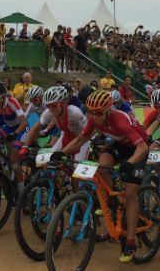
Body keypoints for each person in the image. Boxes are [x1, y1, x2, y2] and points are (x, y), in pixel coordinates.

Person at [61, 90, 150, 263]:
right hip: (120, 145)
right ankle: (114, 198)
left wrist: (130, 163)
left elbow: (143, 148)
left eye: (98, 113)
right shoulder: (94, 119)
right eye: (90, 112)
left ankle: (130, 241)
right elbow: (81, 139)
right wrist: (61, 153)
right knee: (101, 167)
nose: (94, 116)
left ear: (108, 110)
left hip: (138, 150)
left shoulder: (120, 120)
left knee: (131, 195)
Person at [20, 85, 90, 161]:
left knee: (76, 169)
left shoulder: (74, 112)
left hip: (82, 141)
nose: (51, 109)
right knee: (45, 161)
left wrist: (65, 151)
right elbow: (36, 127)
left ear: (63, 103)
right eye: (48, 106)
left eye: (54, 106)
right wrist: (25, 146)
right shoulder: (49, 112)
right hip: (65, 137)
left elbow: (88, 131)